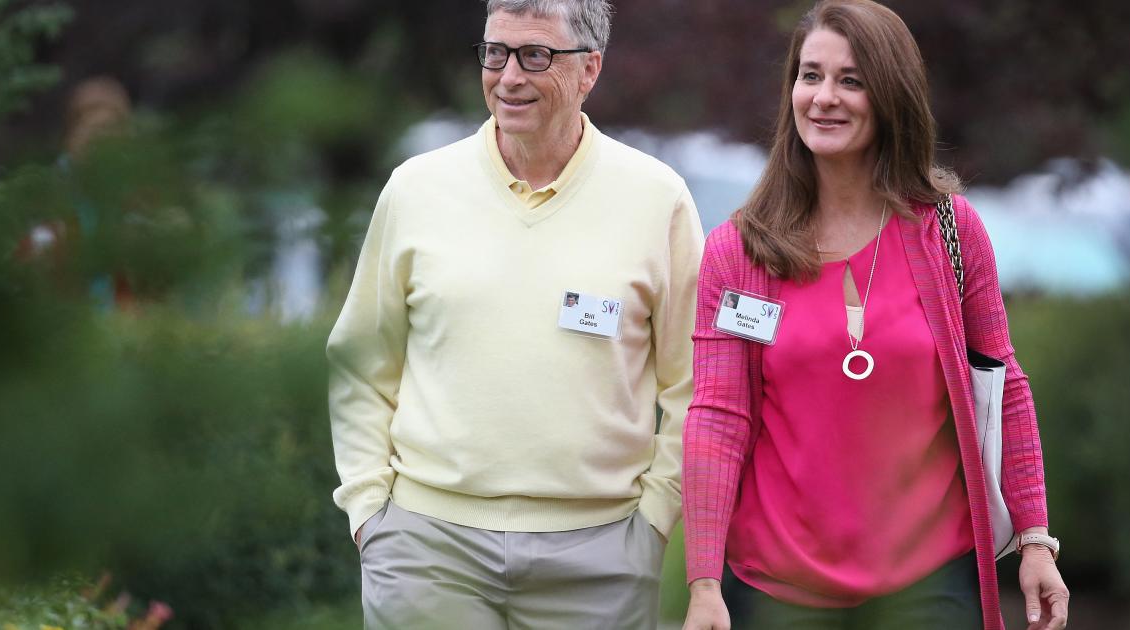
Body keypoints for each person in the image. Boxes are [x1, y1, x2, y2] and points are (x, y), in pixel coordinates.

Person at [680, 2, 1069, 629]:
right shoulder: (740, 251)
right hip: (778, 593)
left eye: (851, 80)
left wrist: (1034, 540)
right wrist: (702, 583)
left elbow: (1005, 386)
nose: (824, 98)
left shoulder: (950, 233)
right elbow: (717, 420)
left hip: (929, 589)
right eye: (810, 76)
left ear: (891, 95)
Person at [326, 1, 703, 628]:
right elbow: (361, 362)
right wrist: (370, 513)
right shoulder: (416, 189)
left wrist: (655, 520)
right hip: (426, 549)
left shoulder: (656, 199)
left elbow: (692, 382)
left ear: (589, 70)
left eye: (535, 56)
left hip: (601, 556)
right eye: (495, 53)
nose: (508, 77)